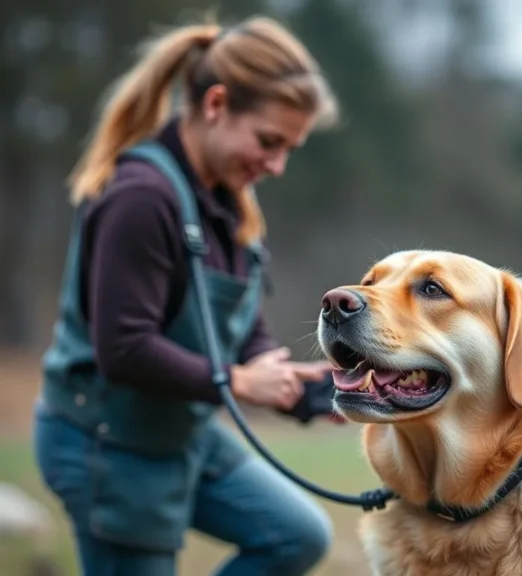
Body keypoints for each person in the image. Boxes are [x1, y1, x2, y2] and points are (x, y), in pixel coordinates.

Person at [33, 14, 343, 576]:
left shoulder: (229, 197)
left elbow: (240, 324)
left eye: (289, 149)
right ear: (217, 104)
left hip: (180, 432)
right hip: (106, 444)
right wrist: (238, 382)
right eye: (269, 142)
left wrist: (306, 392)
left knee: (295, 535)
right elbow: (124, 348)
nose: (276, 166)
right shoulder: (141, 197)